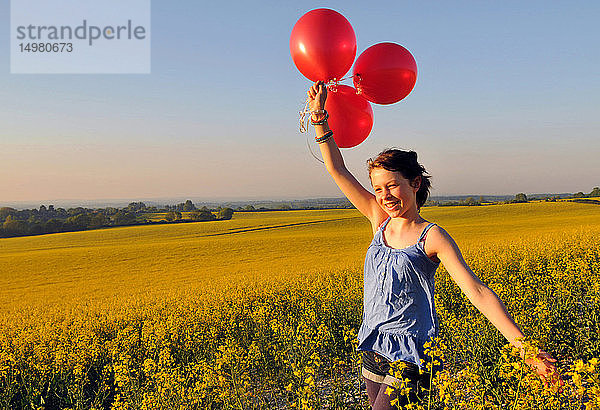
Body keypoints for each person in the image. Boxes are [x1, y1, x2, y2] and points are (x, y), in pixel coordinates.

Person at [306, 81, 559, 409]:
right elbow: (336, 168)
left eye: (392, 186)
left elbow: (478, 292)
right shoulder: (377, 219)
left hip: (412, 353)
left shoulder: (432, 236)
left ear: (415, 184)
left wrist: (525, 349)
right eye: (378, 188)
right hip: (373, 347)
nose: (384, 196)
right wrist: (318, 117)